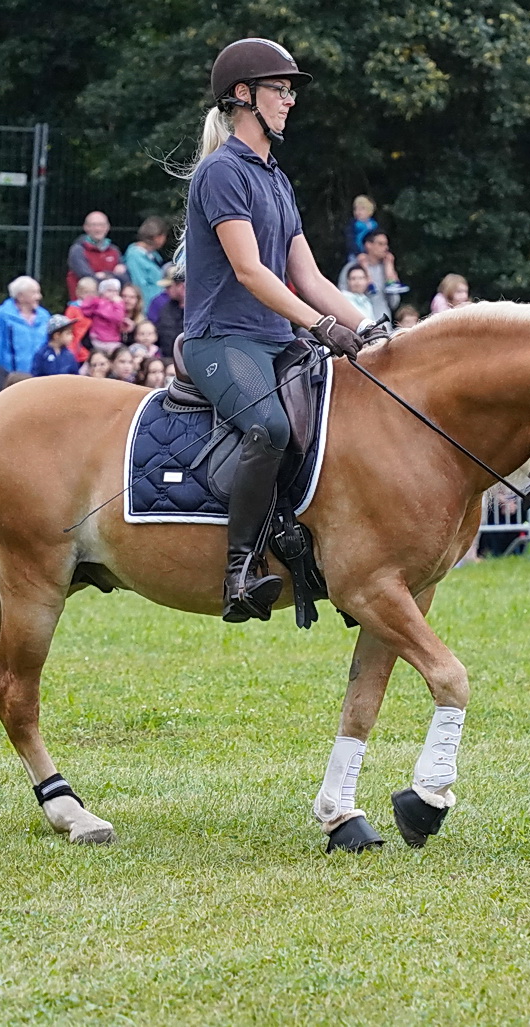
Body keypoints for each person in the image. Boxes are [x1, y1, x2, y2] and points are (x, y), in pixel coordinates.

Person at [182, 36, 365, 621]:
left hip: (278, 340)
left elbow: (307, 276)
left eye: (290, 91)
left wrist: (371, 329)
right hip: (221, 338)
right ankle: (239, 571)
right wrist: (321, 325)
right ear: (243, 95)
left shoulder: (277, 179)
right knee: (269, 427)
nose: (290, 100)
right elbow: (250, 270)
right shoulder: (220, 173)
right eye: (280, 90)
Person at [339, 227, 407, 326]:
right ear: (368, 245)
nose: (386, 248)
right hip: (358, 323)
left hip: (383, 324)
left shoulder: (387, 269)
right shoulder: (352, 268)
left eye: (386, 244)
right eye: (380, 244)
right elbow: (342, 296)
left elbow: (394, 303)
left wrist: (390, 274)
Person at [0, 275, 51, 374]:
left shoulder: (44, 316)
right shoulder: (1, 315)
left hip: (40, 375)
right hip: (10, 375)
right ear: (20, 296)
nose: (39, 297)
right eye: (34, 293)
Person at [66, 211, 124, 296]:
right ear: (86, 227)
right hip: (85, 302)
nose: (98, 229)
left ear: (108, 227)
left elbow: (125, 279)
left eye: (102, 225)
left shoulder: (114, 250)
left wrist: (105, 275)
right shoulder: (77, 250)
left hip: (111, 302)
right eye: (93, 225)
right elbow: (88, 279)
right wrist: (114, 276)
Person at [124, 216, 170, 295]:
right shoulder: (134, 256)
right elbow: (140, 284)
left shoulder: (154, 255)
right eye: (164, 236)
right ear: (157, 237)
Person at [147, 262, 186, 350]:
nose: (166, 290)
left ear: (180, 286)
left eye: (169, 287)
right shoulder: (165, 308)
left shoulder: (198, 309)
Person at [346, 194, 378, 258]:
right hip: (356, 255)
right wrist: (358, 253)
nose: (358, 212)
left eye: (362, 209)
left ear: (370, 211)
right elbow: (350, 240)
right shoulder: (353, 225)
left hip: (373, 255)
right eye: (356, 209)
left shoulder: (374, 225)